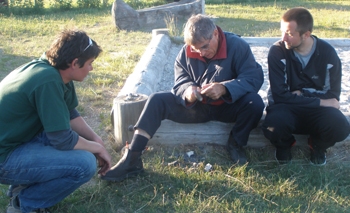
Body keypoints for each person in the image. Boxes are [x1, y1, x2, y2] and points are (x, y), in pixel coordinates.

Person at [101, 14, 264, 182]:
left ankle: (236, 143)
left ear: (215, 33)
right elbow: (180, 81)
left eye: (205, 47)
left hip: (228, 106)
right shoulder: (187, 50)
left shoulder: (238, 46)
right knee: (157, 100)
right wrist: (188, 91)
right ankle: (132, 158)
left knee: (255, 103)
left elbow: (253, 77)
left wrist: (225, 88)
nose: (202, 53)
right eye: (196, 49)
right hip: (197, 108)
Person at [0, 29, 112, 213]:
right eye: (90, 64)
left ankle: (22, 186)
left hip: (15, 142)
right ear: (75, 63)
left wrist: (96, 140)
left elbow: (68, 113)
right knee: (84, 164)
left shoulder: (52, 70)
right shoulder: (48, 81)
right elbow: (62, 139)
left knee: (80, 142)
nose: (91, 69)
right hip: (4, 158)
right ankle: (25, 203)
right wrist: (97, 149)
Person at [262, 7, 350, 165]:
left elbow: (333, 98)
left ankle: (317, 145)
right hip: (286, 109)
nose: (283, 38)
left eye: (289, 33)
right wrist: (317, 99)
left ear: (306, 34)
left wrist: (299, 94)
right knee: (271, 126)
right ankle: (284, 145)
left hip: (317, 112)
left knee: (341, 126)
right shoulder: (277, 51)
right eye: (282, 31)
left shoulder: (328, 54)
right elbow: (279, 96)